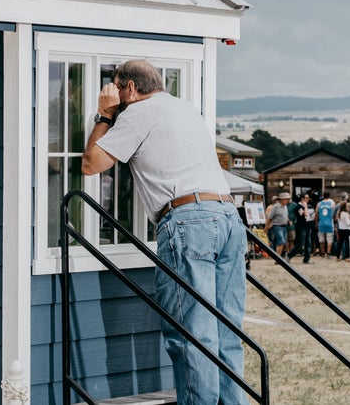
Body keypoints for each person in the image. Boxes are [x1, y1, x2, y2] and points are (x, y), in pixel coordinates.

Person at [81, 59, 247, 405]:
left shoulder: (137, 114)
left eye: (117, 89)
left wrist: (105, 115)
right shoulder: (184, 108)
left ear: (128, 88)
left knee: (192, 334)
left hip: (188, 221)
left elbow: (90, 164)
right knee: (225, 329)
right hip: (228, 217)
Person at [287, 193, 313, 264]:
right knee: (300, 244)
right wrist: (305, 207)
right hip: (301, 227)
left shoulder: (305, 206)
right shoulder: (298, 207)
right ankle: (289, 254)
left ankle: (306, 259)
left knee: (308, 243)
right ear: (302, 199)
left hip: (307, 226)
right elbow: (305, 214)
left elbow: (308, 218)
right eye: (306, 198)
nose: (308, 199)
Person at [266, 192, 291, 258]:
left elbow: (286, 215)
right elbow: (269, 218)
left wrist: (288, 220)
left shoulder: (285, 206)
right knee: (281, 242)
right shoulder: (275, 207)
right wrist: (266, 227)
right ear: (282, 199)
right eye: (286, 199)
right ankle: (278, 258)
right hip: (277, 226)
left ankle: (279, 256)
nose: (287, 201)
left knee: (282, 242)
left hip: (284, 226)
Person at [315, 191, 335, 258]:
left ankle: (322, 253)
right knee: (329, 239)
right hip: (329, 223)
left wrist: (316, 223)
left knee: (321, 239)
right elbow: (334, 212)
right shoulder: (332, 202)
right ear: (329, 195)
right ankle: (328, 253)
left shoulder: (319, 203)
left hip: (321, 223)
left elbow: (316, 214)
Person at [335, 193, 350, 262]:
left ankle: (338, 257)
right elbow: (348, 223)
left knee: (340, 243)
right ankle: (347, 257)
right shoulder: (346, 214)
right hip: (347, 229)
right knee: (347, 243)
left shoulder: (339, 213)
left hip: (341, 229)